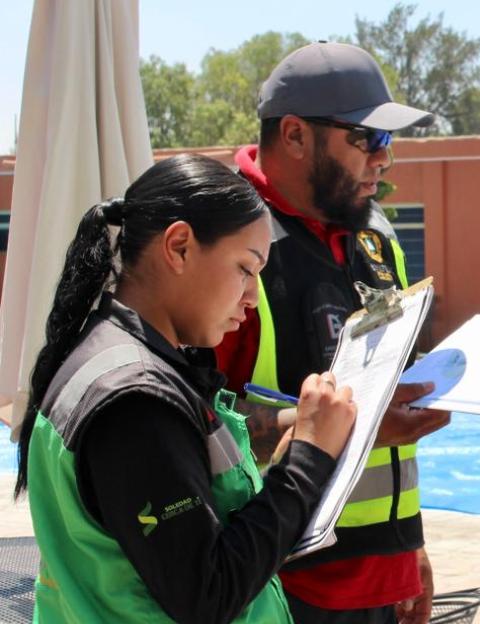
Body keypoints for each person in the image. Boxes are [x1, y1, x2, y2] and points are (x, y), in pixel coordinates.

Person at [14, 154, 356, 623]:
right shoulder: (134, 400)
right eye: (245, 268)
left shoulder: (111, 355)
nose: (252, 298)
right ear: (178, 247)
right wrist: (307, 463)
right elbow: (207, 594)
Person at [214, 42, 450, 623]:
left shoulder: (375, 236)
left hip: (379, 575)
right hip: (279, 581)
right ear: (294, 135)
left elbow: (391, 397)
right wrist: (360, 433)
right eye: (367, 138)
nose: (384, 159)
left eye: (388, 140)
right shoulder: (228, 241)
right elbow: (200, 423)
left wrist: (409, 550)